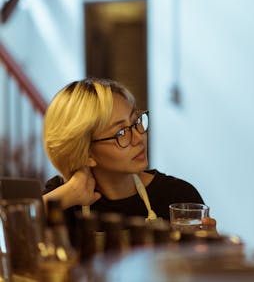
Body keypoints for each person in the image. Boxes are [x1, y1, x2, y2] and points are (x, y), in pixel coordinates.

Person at [42, 78, 214, 243]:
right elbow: (17, 245)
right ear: (87, 154)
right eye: (121, 132)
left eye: (135, 121)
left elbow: (205, 269)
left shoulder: (176, 196)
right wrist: (66, 197)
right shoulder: (63, 200)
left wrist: (213, 249)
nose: (140, 137)